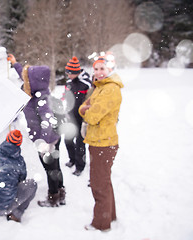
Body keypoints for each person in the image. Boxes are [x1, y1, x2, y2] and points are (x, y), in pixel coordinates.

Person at [7, 53, 65, 208]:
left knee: (51, 169)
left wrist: (44, 143)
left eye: (27, 79)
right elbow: (24, 74)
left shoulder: (41, 99)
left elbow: (48, 120)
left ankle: (53, 197)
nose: (24, 81)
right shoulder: (37, 90)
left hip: (47, 141)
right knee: (56, 166)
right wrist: (15, 63)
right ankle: (61, 191)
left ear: (34, 82)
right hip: (53, 138)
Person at [79, 55, 123, 231]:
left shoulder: (110, 89)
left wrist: (86, 111)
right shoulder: (100, 87)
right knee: (104, 182)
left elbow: (92, 115)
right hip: (99, 141)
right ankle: (109, 215)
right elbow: (84, 106)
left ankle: (101, 223)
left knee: (98, 184)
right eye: (95, 69)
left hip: (103, 143)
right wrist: (85, 109)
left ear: (110, 69)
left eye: (102, 69)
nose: (98, 72)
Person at [0, 130, 37, 222]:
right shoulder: (20, 162)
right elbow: (21, 180)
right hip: (5, 207)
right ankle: (16, 214)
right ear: (19, 143)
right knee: (32, 184)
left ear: (7, 139)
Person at [62, 56, 91, 176]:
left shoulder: (85, 83)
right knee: (67, 140)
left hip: (81, 118)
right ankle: (72, 159)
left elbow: (90, 98)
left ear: (76, 72)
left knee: (80, 143)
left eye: (70, 73)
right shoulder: (69, 82)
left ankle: (80, 166)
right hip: (70, 116)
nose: (68, 75)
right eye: (67, 73)